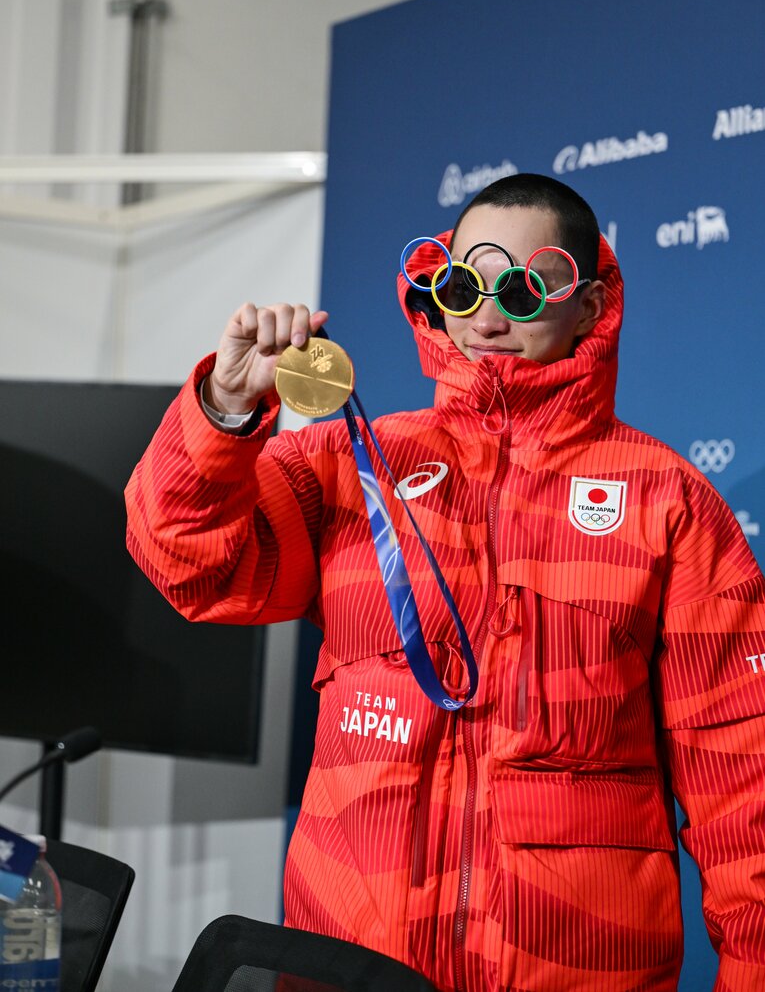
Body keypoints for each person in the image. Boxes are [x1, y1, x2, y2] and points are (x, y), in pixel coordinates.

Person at [125, 173, 765, 992]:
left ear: (591, 306)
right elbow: (187, 558)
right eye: (464, 286)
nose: (489, 319)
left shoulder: (665, 499)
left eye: (526, 289)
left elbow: (744, 782)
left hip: (577, 970)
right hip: (349, 966)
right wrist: (221, 408)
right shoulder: (350, 463)